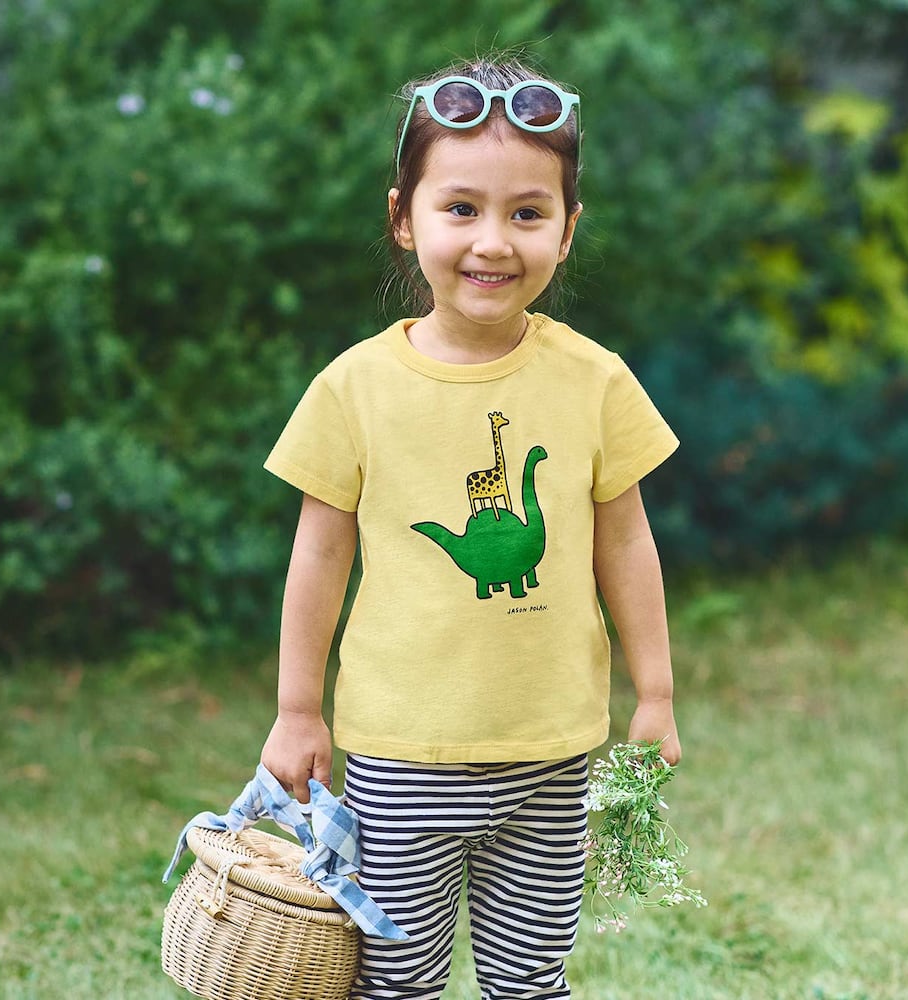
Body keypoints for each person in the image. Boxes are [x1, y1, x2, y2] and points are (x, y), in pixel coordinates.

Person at [259, 53, 681, 1000]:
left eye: (527, 213)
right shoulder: (355, 388)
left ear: (567, 230)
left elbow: (626, 542)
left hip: (552, 748)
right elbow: (318, 554)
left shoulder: (595, 381)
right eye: (461, 208)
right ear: (404, 219)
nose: (493, 242)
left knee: (531, 980)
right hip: (401, 757)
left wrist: (654, 691)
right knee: (395, 982)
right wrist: (297, 711)